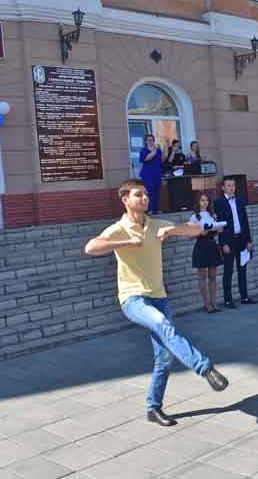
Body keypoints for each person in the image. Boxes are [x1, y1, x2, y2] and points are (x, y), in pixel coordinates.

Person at [84, 179, 229, 427]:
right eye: (138, 195)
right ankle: (205, 368)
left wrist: (171, 230)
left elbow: (196, 231)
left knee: (164, 358)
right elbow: (91, 247)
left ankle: (153, 407)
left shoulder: (156, 225)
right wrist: (125, 243)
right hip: (133, 298)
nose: (145, 198)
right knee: (162, 324)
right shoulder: (119, 228)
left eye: (146, 194)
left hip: (158, 296)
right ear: (125, 200)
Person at [214, 177, 256, 308]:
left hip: (241, 239)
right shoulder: (218, 203)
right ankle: (228, 300)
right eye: (228, 185)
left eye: (233, 185)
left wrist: (248, 240)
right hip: (228, 241)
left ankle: (244, 297)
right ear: (223, 188)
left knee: (242, 269)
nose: (231, 188)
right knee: (228, 271)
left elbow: (245, 222)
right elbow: (219, 225)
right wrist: (223, 243)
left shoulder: (240, 201)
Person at [190, 193, 223, 313]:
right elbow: (189, 236)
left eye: (207, 200)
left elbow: (216, 229)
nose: (205, 202)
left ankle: (214, 303)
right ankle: (207, 304)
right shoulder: (194, 217)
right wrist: (200, 233)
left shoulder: (213, 215)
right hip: (201, 246)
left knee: (213, 277)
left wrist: (219, 229)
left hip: (212, 245)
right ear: (198, 202)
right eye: (202, 200)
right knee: (202, 277)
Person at [138, 134, 164, 214]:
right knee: (149, 191)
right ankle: (149, 209)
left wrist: (164, 150)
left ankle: (156, 209)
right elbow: (146, 159)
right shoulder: (144, 150)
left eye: (152, 140)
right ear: (146, 141)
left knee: (156, 191)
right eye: (149, 140)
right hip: (148, 174)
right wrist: (154, 151)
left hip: (157, 173)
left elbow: (162, 160)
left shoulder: (158, 150)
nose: (151, 142)